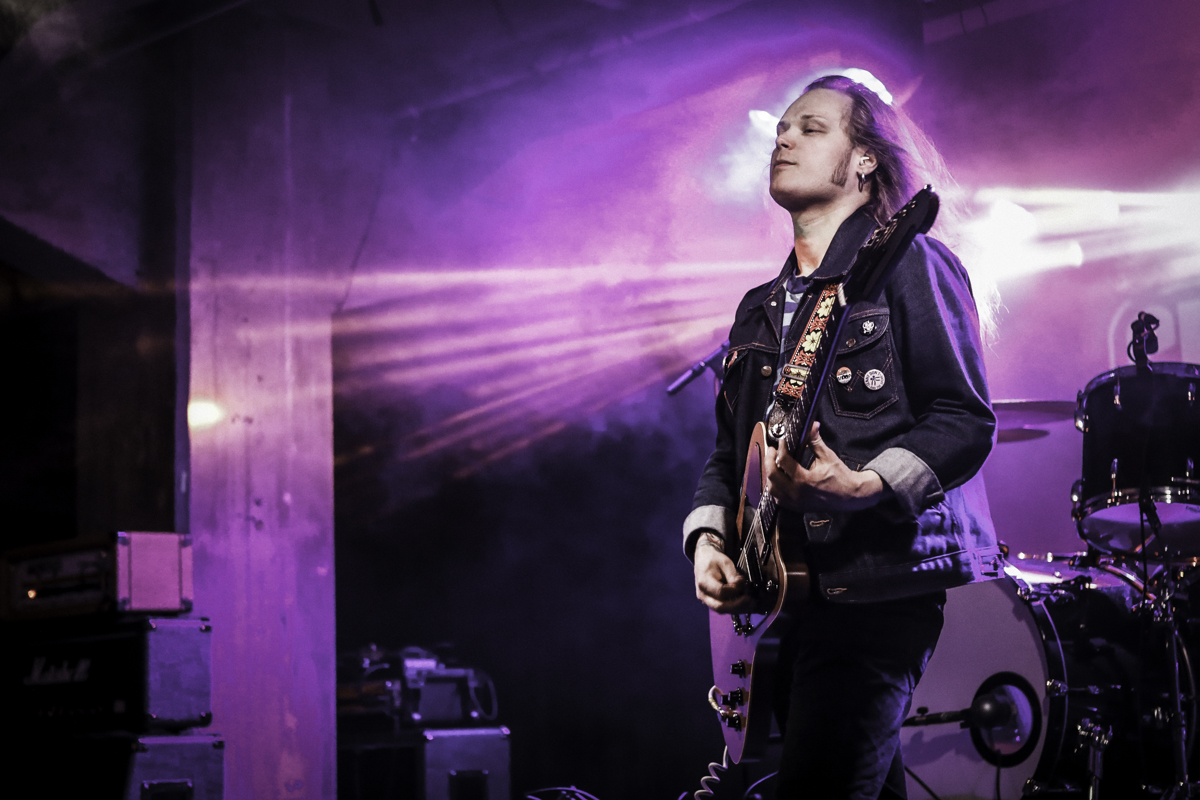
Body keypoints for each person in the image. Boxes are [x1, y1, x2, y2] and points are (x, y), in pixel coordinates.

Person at [683, 75, 1002, 799]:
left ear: (864, 160)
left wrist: (864, 484)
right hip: (784, 604)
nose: (784, 138)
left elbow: (963, 417)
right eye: (781, 128)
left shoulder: (908, 263)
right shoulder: (757, 309)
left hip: (877, 590)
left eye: (811, 127)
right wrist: (707, 542)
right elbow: (730, 455)